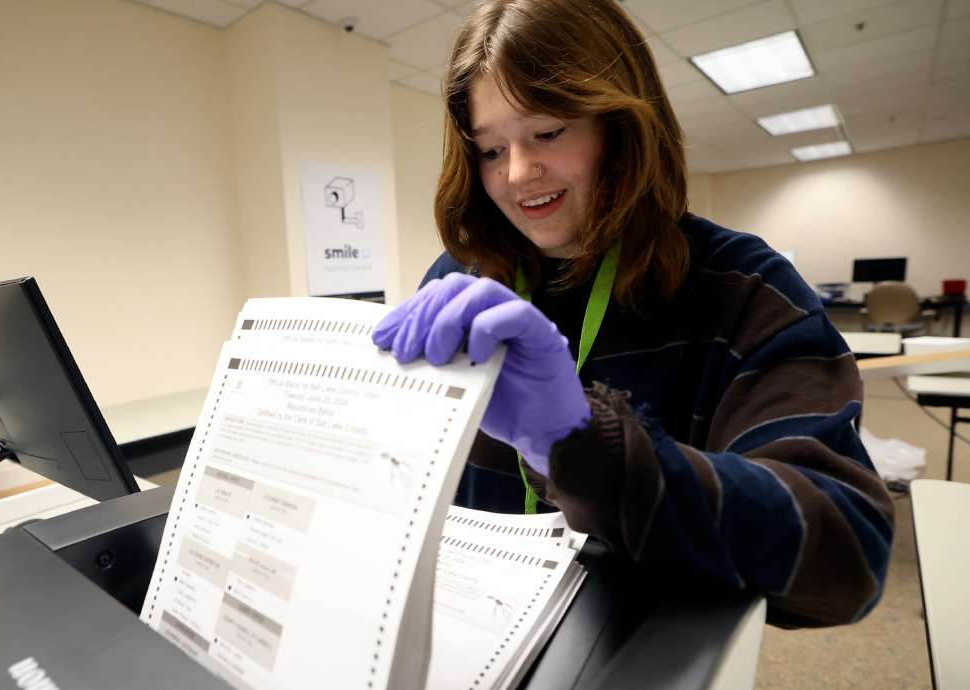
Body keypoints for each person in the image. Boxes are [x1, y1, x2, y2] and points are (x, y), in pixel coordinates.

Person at [372, 0, 893, 628]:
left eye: (549, 132)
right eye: (488, 150)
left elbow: (847, 554)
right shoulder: (459, 277)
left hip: (634, 646)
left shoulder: (745, 289)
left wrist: (581, 445)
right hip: (470, 635)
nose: (517, 173)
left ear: (621, 125)